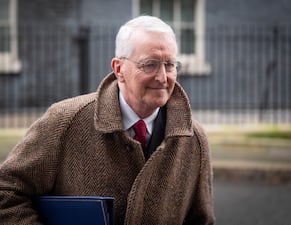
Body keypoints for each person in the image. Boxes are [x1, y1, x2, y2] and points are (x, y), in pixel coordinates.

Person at [0, 16, 215, 225]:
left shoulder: (193, 140)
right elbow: (7, 192)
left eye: (170, 65)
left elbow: (200, 220)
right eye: (150, 65)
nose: (162, 77)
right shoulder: (65, 122)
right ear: (119, 68)